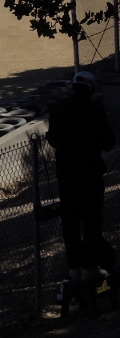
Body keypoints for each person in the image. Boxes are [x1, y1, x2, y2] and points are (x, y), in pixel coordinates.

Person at [47, 71, 116, 285]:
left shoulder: (58, 109)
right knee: (91, 222)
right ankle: (91, 268)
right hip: (90, 174)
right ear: (91, 89)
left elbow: (53, 140)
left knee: (71, 223)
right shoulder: (94, 109)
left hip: (66, 176)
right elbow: (108, 142)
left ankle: (74, 271)